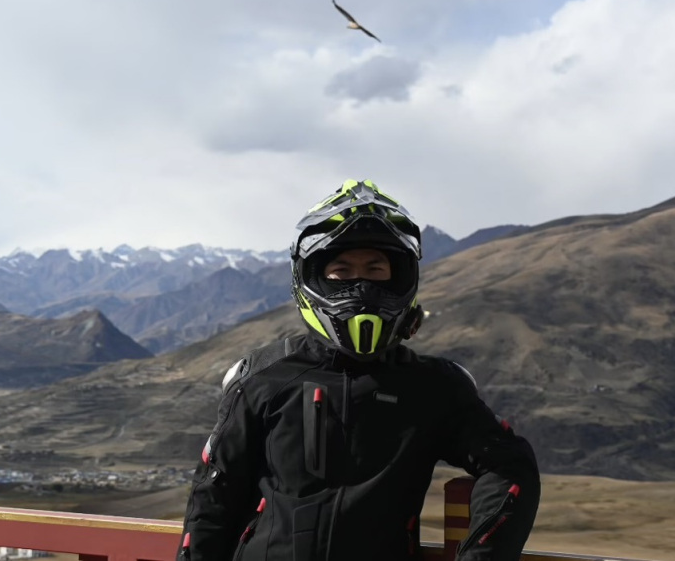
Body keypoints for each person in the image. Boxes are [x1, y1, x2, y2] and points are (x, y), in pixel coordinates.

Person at [179, 179, 540, 561]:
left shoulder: (433, 388)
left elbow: (510, 465)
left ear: (398, 275)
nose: (361, 284)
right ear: (313, 276)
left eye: (375, 268)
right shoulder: (264, 378)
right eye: (342, 269)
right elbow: (214, 500)